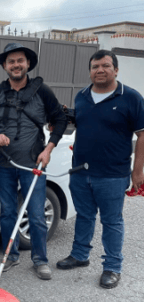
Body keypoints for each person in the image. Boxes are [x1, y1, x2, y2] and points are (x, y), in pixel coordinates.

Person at [56, 50, 144, 289]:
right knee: (84, 216)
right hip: (81, 172)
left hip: (112, 174)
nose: (100, 70)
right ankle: (80, 255)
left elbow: (142, 134)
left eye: (106, 65)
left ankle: (113, 267)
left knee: (111, 221)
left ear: (116, 69)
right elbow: (87, 122)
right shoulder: (82, 96)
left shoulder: (132, 97)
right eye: (95, 66)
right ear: (90, 70)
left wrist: (138, 171)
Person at [0, 43, 67, 280]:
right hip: (4, 163)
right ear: (4, 65)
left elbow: (59, 120)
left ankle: (40, 260)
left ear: (28, 64)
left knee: (37, 214)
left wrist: (49, 148)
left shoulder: (43, 92)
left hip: (33, 163)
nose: (16, 65)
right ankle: (10, 256)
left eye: (20, 60)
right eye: (11, 61)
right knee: (8, 212)